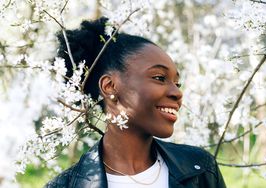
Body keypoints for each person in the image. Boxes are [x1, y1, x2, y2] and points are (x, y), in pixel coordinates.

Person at [45, 17, 226, 188]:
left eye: (177, 83)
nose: (177, 92)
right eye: (159, 78)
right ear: (110, 86)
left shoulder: (200, 168)